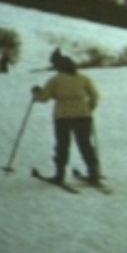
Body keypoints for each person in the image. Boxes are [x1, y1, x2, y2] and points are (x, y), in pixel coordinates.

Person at [31, 53, 101, 185]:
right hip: (83, 115)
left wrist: (36, 93)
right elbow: (95, 95)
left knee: (62, 145)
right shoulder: (83, 78)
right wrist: (90, 107)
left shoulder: (56, 80)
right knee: (85, 144)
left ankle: (59, 175)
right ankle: (94, 173)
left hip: (63, 116)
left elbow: (44, 98)